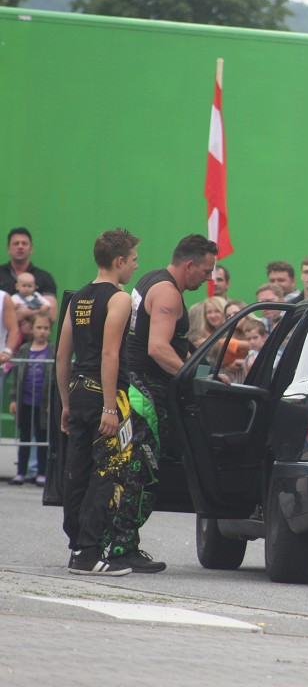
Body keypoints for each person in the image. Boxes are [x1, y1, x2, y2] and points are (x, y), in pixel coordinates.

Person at [119, 234, 218, 573]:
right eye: (205, 271)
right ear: (188, 265)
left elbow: (171, 343)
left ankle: (120, 544)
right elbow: (158, 348)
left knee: (133, 469)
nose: (207, 278)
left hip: (133, 386)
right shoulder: (168, 293)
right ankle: (121, 547)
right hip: (144, 392)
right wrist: (196, 379)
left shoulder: (151, 281)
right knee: (139, 472)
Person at [55, 228, 141, 576]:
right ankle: (90, 552)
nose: (136, 266)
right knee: (107, 471)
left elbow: (62, 356)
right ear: (119, 261)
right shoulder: (118, 298)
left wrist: (65, 402)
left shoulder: (78, 298)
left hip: (77, 390)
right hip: (106, 394)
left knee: (77, 471)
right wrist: (109, 405)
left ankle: (77, 545)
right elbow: (110, 353)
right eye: (134, 260)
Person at [8, 313, 54, 486]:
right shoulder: (24, 350)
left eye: (46, 328)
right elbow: (17, 376)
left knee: (42, 439)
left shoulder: (52, 350)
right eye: (39, 328)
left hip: (43, 404)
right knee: (24, 438)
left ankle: (42, 473)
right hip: (25, 402)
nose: (42, 332)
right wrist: (13, 399)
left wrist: (52, 402)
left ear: (50, 330)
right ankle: (21, 472)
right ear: (32, 329)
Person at [0, 227, 58, 320]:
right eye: (16, 243)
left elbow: (50, 316)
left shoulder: (45, 278)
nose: (20, 246)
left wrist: (20, 314)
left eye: (24, 243)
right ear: (8, 248)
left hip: (32, 334)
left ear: (31, 248)